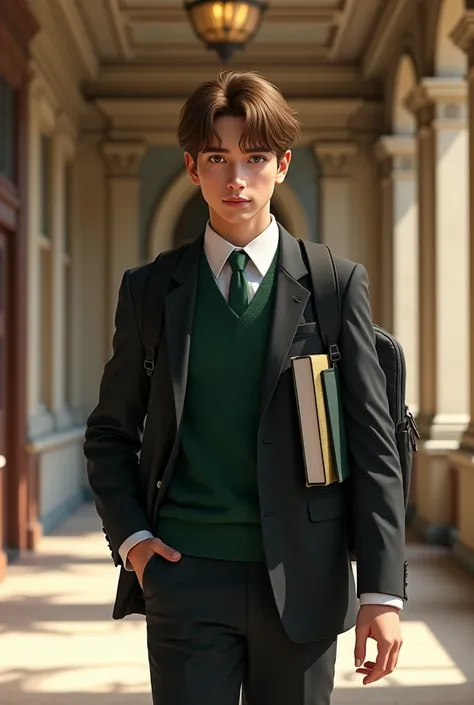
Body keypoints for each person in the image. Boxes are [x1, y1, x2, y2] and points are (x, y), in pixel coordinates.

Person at [84, 70, 407, 705]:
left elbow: (374, 446)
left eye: (255, 158)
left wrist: (381, 591)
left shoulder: (335, 283)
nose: (237, 179)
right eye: (217, 159)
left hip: (306, 577)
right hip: (184, 573)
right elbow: (111, 431)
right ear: (191, 167)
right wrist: (135, 542)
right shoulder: (149, 290)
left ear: (282, 165)